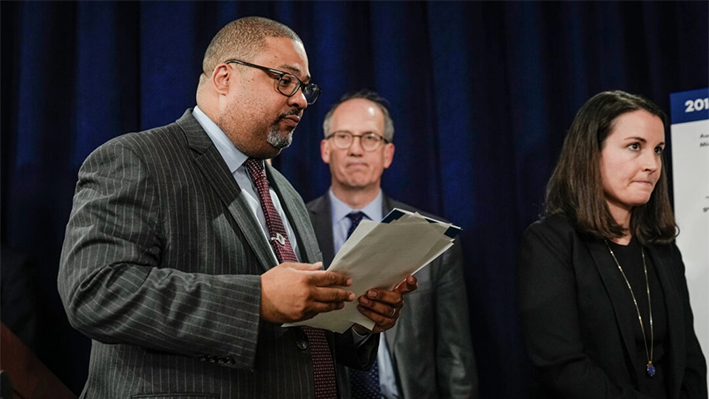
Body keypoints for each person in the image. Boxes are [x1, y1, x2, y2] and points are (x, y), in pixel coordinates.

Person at [58, 17, 416, 399]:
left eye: (304, 88)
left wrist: (360, 318)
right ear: (225, 78)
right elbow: (95, 291)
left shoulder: (287, 193)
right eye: (284, 80)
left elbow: (303, 335)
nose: (299, 99)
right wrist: (257, 299)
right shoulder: (135, 159)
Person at [518, 90, 707, 398]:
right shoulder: (550, 243)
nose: (652, 164)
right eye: (635, 146)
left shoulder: (661, 246)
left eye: (658, 150)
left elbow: (690, 358)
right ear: (591, 153)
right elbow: (562, 368)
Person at [307, 90, 479, 399]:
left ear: (388, 153)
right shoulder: (294, 226)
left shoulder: (432, 238)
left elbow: (455, 355)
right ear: (325, 149)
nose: (356, 149)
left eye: (370, 138)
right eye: (344, 137)